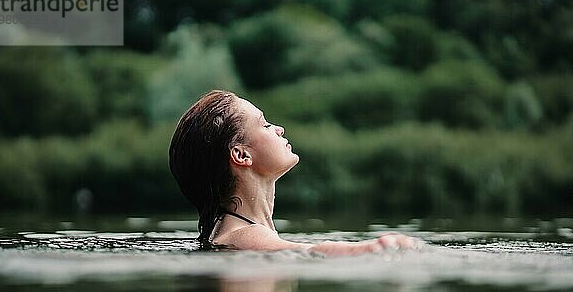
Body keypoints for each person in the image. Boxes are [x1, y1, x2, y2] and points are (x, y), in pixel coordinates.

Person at [169, 90, 416, 255]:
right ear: (241, 155)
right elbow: (309, 252)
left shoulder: (234, 232)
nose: (279, 128)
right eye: (265, 124)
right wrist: (375, 247)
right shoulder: (243, 236)